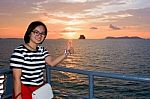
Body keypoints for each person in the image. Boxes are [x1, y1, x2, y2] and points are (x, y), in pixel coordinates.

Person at [10, 21, 74, 99]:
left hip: (39, 91)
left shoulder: (42, 50)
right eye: (36, 32)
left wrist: (66, 52)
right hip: (25, 92)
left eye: (42, 33)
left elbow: (52, 63)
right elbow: (16, 78)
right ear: (29, 33)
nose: (39, 35)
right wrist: (18, 96)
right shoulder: (19, 52)